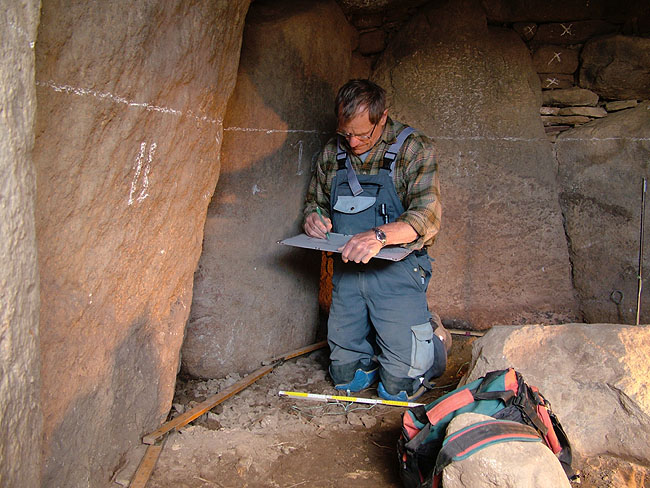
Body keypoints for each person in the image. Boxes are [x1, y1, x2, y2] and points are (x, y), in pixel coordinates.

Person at [302, 79, 449, 401]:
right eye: (346, 134)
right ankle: (376, 345)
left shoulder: (414, 148)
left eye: (362, 134)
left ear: (382, 117)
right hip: (348, 272)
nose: (353, 142)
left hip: (397, 272)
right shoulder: (333, 151)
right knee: (344, 377)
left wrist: (380, 236)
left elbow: (427, 216)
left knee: (398, 388)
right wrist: (314, 217)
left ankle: (434, 336)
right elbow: (316, 201)